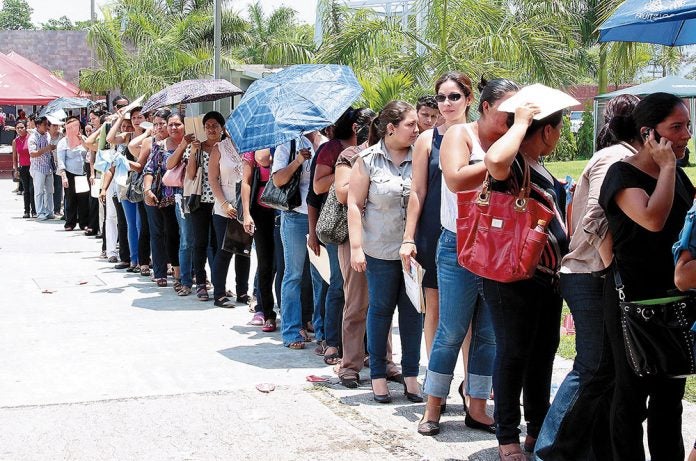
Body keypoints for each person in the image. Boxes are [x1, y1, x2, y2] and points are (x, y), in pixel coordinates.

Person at [534, 94, 641, 461]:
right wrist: (615, 270)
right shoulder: (616, 158)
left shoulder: (614, 155)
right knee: (594, 365)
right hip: (591, 274)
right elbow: (598, 220)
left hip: (590, 273)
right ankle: (548, 452)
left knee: (607, 368)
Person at [417, 78, 518, 437]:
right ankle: (432, 408)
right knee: (451, 331)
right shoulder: (461, 134)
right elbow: (456, 180)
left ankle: (477, 407)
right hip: (458, 244)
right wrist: (498, 158)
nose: (513, 116)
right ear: (486, 106)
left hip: (498, 248)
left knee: (488, 333)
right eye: (508, 109)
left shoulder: (512, 140)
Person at [599, 92, 693, 461]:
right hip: (632, 302)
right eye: (677, 127)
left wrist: (673, 171)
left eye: (688, 125)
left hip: (676, 298)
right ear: (649, 133)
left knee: (670, 399)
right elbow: (653, 219)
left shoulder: (680, 176)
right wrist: (667, 168)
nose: (687, 134)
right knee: (631, 396)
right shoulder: (622, 174)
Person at [483, 98, 570, 460]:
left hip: (546, 276)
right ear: (547, 131)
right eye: (558, 128)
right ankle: (507, 437)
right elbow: (493, 160)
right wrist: (519, 123)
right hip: (511, 274)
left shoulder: (540, 166)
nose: (559, 136)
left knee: (542, 354)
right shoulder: (514, 163)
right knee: (513, 353)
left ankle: (537, 428)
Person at [347, 100, 423, 403]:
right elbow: (354, 203)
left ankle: (411, 376)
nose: (417, 130)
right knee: (380, 312)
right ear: (391, 128)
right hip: (379, 249)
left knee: (412, 313)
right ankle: (377, 376)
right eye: (411, 124)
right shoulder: (367, 160)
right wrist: (356, 248)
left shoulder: (421, 156)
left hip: (414, 252)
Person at [312, 109, 373, 365]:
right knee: (339, 285)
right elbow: (316, 189)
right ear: (357, 128)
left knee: (367, 295)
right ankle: (332, 341)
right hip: (340, 225)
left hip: (370, 227)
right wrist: (345, 174)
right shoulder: (336, 150)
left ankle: (367, 347)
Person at [273, 134, 316, 348]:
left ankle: (320, 327)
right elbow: (278, 180)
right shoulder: (288, 143)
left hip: (322, 216)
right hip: (295, 215)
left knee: (320, 277)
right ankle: (291, 330)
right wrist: (298, 160)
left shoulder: (326, 141)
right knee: (294, 274)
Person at [187, 111, 227, 302]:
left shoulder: (228, 147)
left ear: (222, 128)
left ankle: (220, 285)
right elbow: (191, 174)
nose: (211, 129)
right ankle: (201, 283)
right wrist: (194, 151)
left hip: (222, 202)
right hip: (201, 201)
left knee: (219, 245)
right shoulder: (197, 147)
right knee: (200, 242)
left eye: (215, 125)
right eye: (208, 126)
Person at [107, 107, 147, 271]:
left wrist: (147, 132)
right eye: (134, 118)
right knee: (131, 223)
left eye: (140, 117)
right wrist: (120, 118)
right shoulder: (128, 136)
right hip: (128, 183)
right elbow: (110, 138)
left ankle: (144, 258)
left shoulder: (149, 136)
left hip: (145, 182)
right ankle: (134, 259)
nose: (137, 120)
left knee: (141, 224)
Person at [208, 130, 246, 307]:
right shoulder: (219, 148)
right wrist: (223, 203)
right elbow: (213, 179)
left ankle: (243, 292)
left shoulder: (251, 145)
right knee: (224, 251)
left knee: (244, 252)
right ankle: (219, 294)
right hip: (225, 206)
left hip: (245, 205)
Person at [142, 109, 179, 287]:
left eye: (161, 124)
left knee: (180, 235)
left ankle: (182, 270)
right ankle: (160, 272)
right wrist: (147, 190)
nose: (158, 127)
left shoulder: (187, 142)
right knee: (158, 233)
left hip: (182, 196)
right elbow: (148, 169)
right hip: (160, 195)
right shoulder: (156, 145)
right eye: (155, 124)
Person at [241, 146, 277, 330]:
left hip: (284, 209)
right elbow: (246, 182)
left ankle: (291, 314)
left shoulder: (288, 141)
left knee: (282, 265)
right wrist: (246, 214)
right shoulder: (254, 146)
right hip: (261, 210)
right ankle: (265, 311)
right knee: (265, 263)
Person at [164, 112, 194, 295]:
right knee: (185, 239)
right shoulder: (166, 144)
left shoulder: (197, 140)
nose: (174, 128)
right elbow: (169, 164)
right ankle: (184, 279)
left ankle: (198, 275)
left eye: (178, 124)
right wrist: (183, 145)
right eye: (171, 124)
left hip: (201, 194)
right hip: (180, 195)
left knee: (201, 240)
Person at [56, 117, 90, 231]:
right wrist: (63, 176)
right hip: (70, 173)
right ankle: (70, 223)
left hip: (82, 172)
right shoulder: (63, 142)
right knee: (70, 198)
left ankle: (84, 222)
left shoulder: (83, 138)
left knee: (83, 198)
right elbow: (60, 160)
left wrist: (82, 140)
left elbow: (89, 152)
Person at [28, 116, 57, 221]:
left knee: (50, 191)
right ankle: (40, 212)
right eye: (44, 124)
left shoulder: (47, 134)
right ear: (38, 125)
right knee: (39, 191)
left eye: (47, 124)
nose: (47, 126)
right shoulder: (33, 138)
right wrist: (46, 149)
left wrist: (51, 149)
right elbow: (32, 153)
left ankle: (50, 211)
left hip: (48, 167)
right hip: (38, 168)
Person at [11, 121, 36, 218]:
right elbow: (14, 157)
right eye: (18, 128)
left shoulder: (31, 137)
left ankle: (34, 210)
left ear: (26, 127)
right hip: (23, 168)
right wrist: (16, 169)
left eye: (22, 127)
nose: (20, 130)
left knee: (32, 189)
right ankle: (27, 211)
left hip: (33, 166)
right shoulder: (15, 141)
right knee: (26, 190)